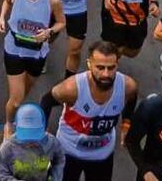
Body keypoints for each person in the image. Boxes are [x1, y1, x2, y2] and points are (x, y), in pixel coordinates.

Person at [41, 41, 138, 181]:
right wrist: (42, 134)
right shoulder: (71, 88)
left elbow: (132, 98)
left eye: (111, 68)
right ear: (89, 64)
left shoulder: (128, 86)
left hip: (102, 156)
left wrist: (126, 123)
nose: (106, 74)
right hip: (68, 153)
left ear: (117, 64)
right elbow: (46, 101)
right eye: (100, 67)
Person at [0, 0, 66, 136]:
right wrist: (1, 18)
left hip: (37, 52)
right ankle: (8, 124)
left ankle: (15, 114)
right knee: (17, 99)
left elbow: (61, 23)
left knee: (25, 90)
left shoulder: (52, 0)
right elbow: (6, 2)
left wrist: (49, 32)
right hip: (15, 49)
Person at [0, 103, 66, 181]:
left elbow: (59, 159)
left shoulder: (52, 143)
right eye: (27, 134)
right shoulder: (7, 148)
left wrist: (54, 178)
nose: (30, 140)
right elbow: (1, 175)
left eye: (34, 134)